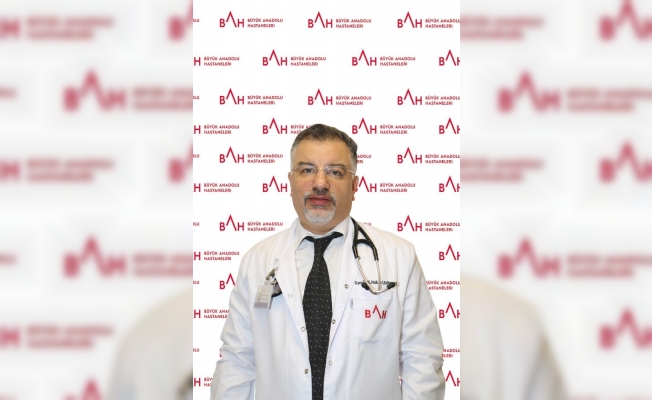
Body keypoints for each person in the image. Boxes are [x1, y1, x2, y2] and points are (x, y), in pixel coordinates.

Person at [211, 124, 445, 400]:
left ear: (355, 185)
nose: (320, 183)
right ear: (290, 181)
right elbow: (237, 362)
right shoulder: (257, 261)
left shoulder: (399, 257)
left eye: (335, 172)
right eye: (307, 170)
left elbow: (422, 360)